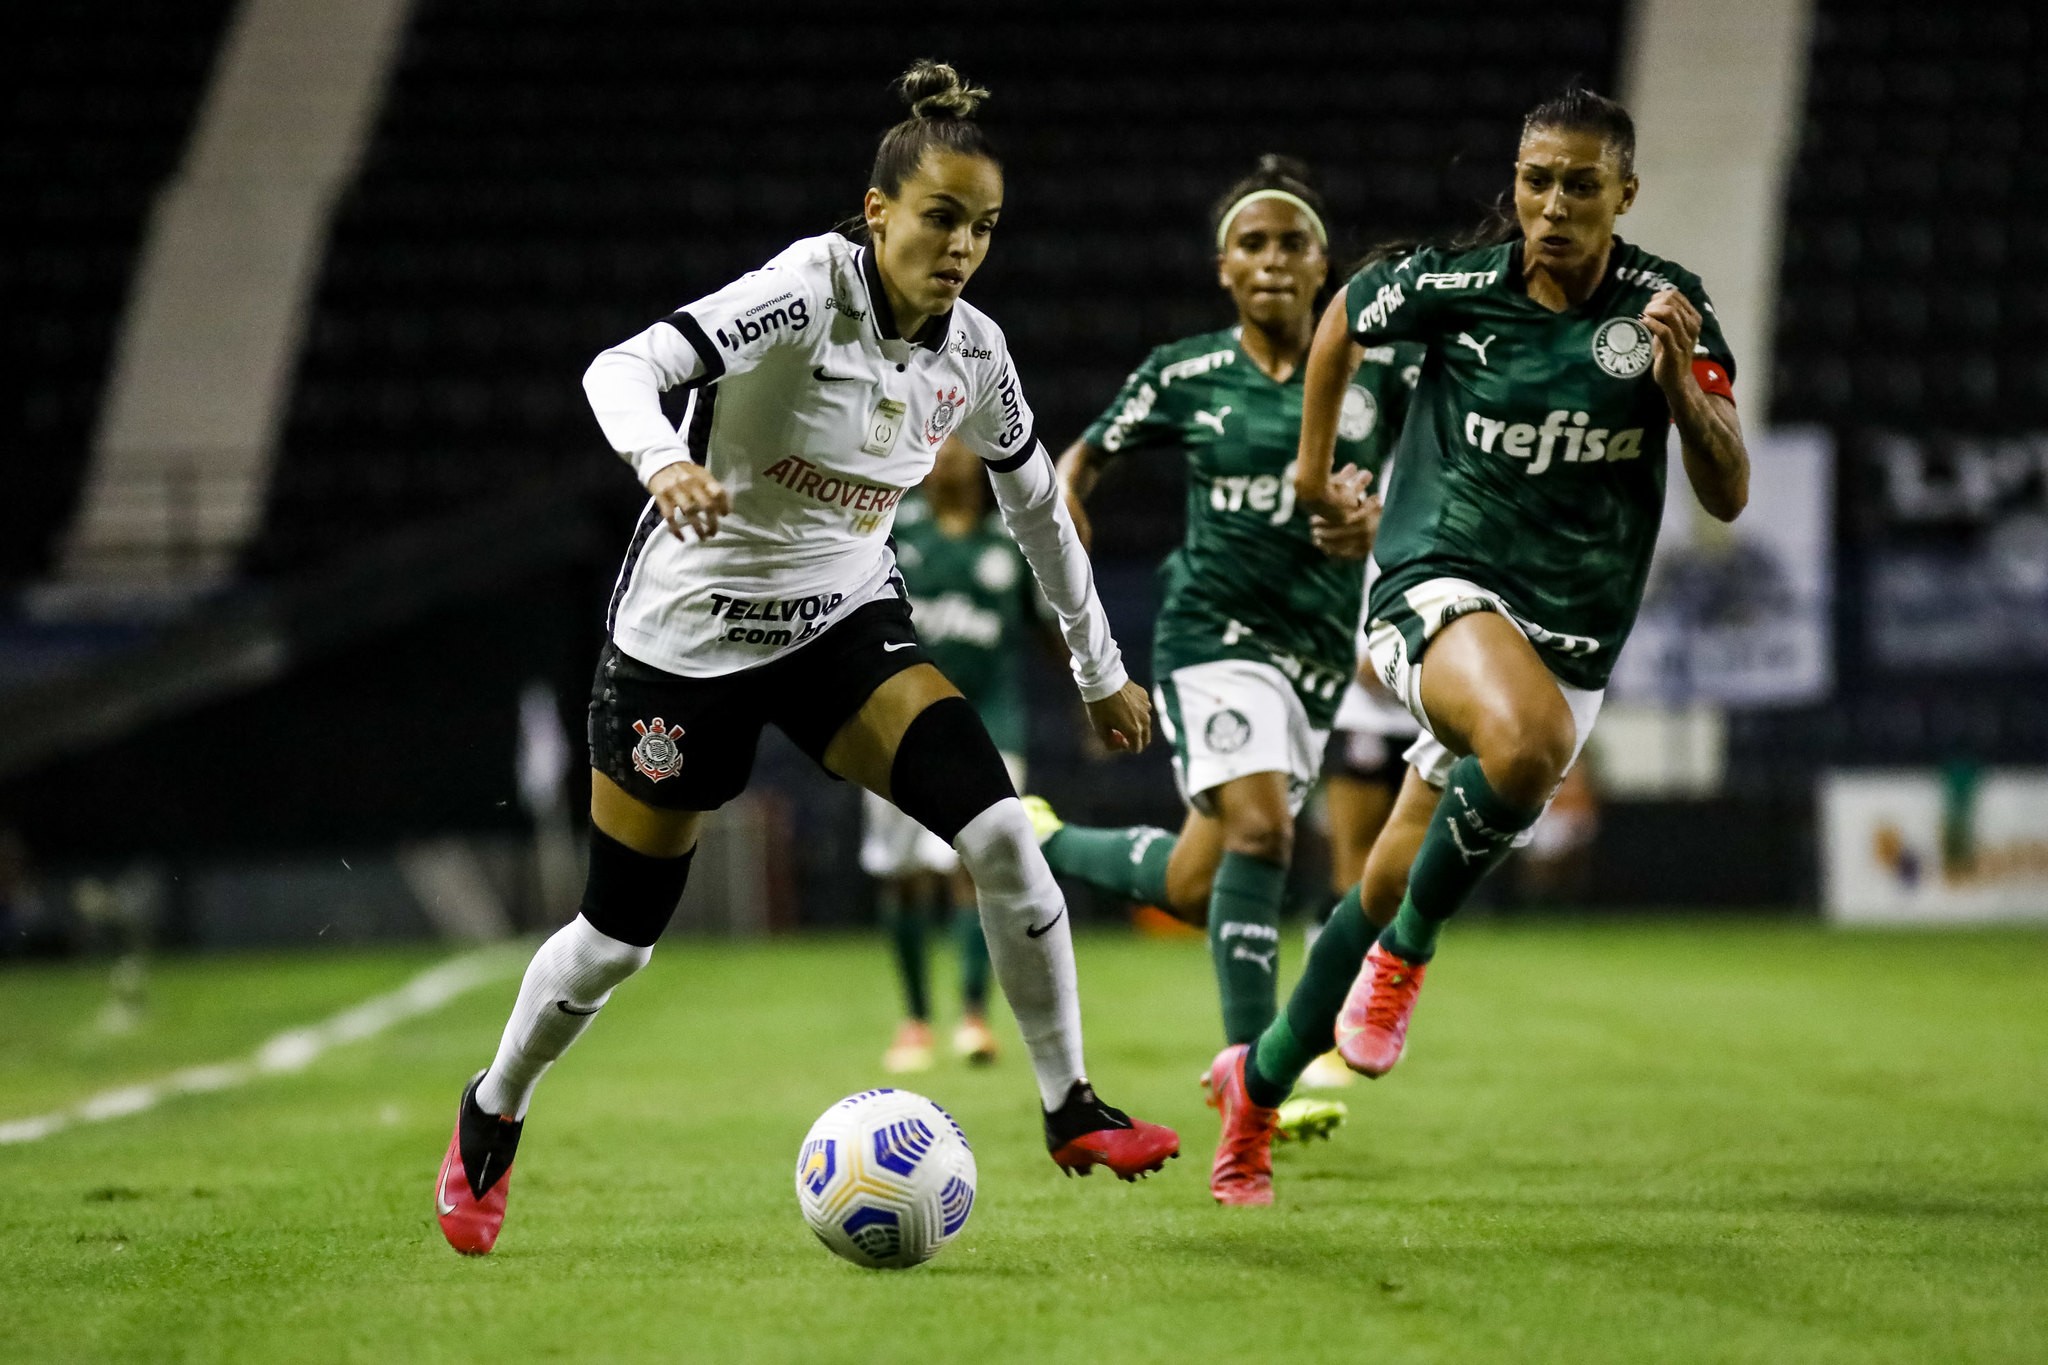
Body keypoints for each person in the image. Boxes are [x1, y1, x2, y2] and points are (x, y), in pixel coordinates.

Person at [433, 61, 1178, 1257]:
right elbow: (618, 368)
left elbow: (1037, 505)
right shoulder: (801, 290)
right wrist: (659, 464)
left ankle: (1068, 1104)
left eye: (983, 227)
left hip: (839, 627)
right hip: (681, 647)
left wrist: (1098, 668)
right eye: (940, 218)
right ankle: (493, 1105)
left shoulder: (973, 356)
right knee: (619, 938)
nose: (961, 247)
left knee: (997, 834)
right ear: (878, 212)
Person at [1204, 86, 1749, 1198]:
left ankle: (1250, 1098)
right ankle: (1408, 956)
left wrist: (1679, 400)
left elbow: (1728, 490)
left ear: (1623, 195)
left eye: (1578, 184)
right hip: (1432, 583)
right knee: (1519, 743)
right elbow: (1342, 319)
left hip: (1573, 635)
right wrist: (1312, 478)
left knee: (1392, 871)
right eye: (1534, 179)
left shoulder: (1665, 309)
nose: (1550, 204)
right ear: (1513, 183)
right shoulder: (1457, 287)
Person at [1020, 156, 1412, 1203]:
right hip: (1210, 634)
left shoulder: (1379, 376)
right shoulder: (1182, 373)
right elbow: (1082, 457)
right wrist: (1066, 509)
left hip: (1316, 656)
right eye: (1253, 243)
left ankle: (1038, 838)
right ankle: (1256, 1083)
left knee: (1201, 880)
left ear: (1323, 264)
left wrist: (1382, 526)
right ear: (1222, 268)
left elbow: (1425, 495)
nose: (1273, 260)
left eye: (1292, 243)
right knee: (1261, 832)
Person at [866, 441, 1036, 1074]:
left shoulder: (1008, 543)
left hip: (990, 723)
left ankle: (973, 1016)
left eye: (967, 446)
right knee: (904, 875)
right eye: (942, 445)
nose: (953, 459)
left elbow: (1046, 626)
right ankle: (914, 1020)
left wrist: (1088, 703)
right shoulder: (888, 531)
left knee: (977, 864)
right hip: (894, 722)